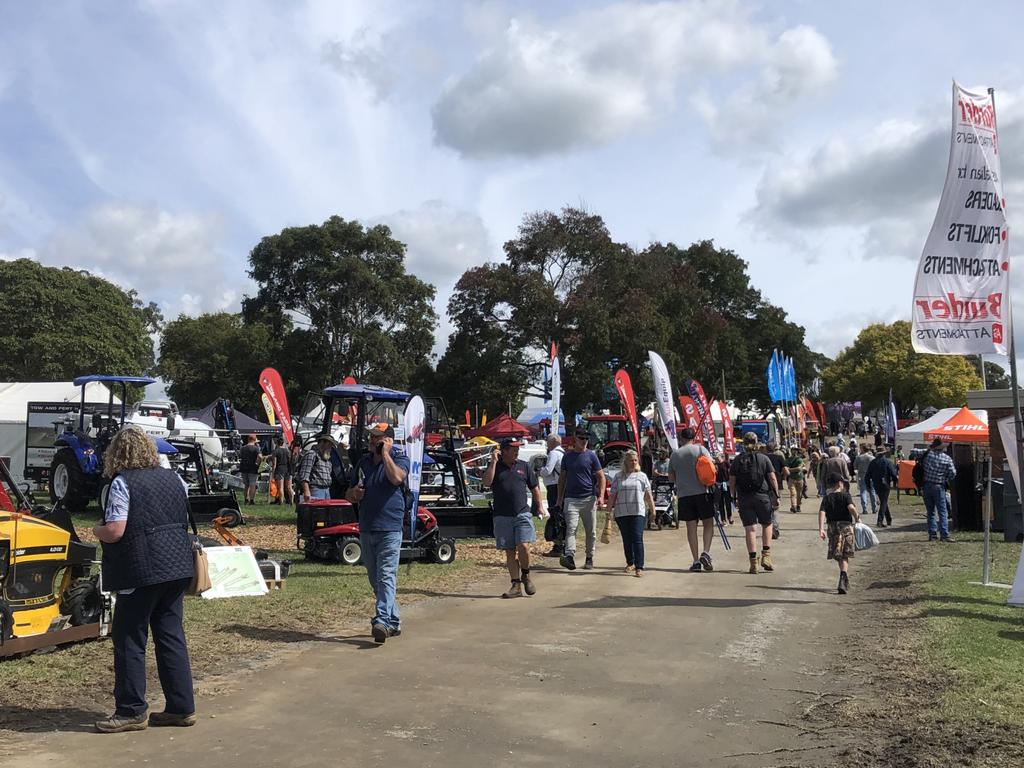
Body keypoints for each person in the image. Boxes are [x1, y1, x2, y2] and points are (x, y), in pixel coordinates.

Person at [92, 428, 196, 732]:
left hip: (141, 569)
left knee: (129, 638)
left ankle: (131, 710)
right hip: (177, 565)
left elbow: (116, 530)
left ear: (116, 454)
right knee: (170, 635)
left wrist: (97, 530)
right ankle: (181, 707)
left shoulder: (123, 483)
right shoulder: (174, 477)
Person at [346, 424, 409, 644]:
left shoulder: (399, 458)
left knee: (386, 576)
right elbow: (348, 491)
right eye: (372, 438)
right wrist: (353, 493)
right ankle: (394, 620)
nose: (373, 441)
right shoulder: (363, 463)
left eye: (379, 438)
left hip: (390, 527)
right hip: (366, 526)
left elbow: (397, 479)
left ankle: (381, 620)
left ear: (389, 440)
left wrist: (385, 455)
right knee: (375, 579)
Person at [483, 437, 546, 598]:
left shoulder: (523, 466)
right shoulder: (495, 467)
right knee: (510, 551)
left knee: (523, 546)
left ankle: (526, 574)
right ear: (503, 451)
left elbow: (534, 487)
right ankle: (515, 585)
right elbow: (486, 482)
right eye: (513, 448)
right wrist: (493, 462)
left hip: (522, 513)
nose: (517, 451)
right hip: (502, 516)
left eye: (517, 448)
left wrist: (539, 505)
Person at [730, 433, 780, 574]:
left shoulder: (737, 460)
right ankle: (766, 557)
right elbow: (772, 478)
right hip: (762, 496)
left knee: (750, 529)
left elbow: (732, 481)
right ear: (757, 442)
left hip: (744, 498)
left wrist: (733, 497)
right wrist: (776, 495)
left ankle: (753, 563)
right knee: (767, 524)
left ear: (744, 443)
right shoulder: (764, 458)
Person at [557, 428, 606, 571]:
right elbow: (562, 479)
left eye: (586, 438)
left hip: (589, 498)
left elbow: (601, 476)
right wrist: (559, 498)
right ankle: (570, 556)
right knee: (571, 528)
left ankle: (589, 557)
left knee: (591, 531)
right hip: (571, 498)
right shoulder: (567, 456)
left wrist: (601, 496)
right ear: (575, 438)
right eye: (581, 438)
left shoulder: (591, 456)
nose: (584, 441)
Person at [668, 427, 716, 572]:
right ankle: (706, 552)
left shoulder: (675, 454)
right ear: (693, 437)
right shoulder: (701, 450)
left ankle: (695, 561)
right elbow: (712, 468)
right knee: (708, 524)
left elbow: (671, 477)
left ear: (681, 438)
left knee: (691, 528)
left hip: (684, 494)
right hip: (702, 492)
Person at [608, 450, 655, 577]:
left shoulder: (642, 476)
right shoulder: (618, 476)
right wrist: (608, 512)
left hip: (638, 511)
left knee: (637, 538)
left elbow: (648, 495)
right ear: (626, 462)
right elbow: (612, 495)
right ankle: (630, 562)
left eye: (635, 460)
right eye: (631, 460)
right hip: (622, 512)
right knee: (627, 539)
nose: (633, 462)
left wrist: (653, 509)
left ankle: (639, 566)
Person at [818, 472, 860, 594]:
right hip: (845, 527)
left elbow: (822, 513)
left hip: (832, 528)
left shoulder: (827, 498)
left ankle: (843, 577)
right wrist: (857, 518)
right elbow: (851, 508)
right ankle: (843, 576)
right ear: (840, 483)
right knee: (845, 554)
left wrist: (821, 529)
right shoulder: (846, 496)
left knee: (838, 553)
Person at [921, 438, 957, 542]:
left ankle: (932, 534)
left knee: (930, 511)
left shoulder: (928, 455)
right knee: (942, 511)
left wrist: (929, 448)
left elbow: (913, 452)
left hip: (927, 485)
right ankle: (944, 534)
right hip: (939, 485)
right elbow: (953, 473)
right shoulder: (947, 458)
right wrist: (945, 477)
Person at [539, 434, 565, 558]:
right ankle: (563, 544)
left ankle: (558, 546)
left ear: (553, 442)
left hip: (554, 487)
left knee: (556, 516)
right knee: (562, 516)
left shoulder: (554, 453)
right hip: (562, 487)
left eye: (548, 441)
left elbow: (548, 470)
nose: (546, 444)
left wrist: (539, 471)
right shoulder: (563, 453)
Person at [297, 435, 337, 500]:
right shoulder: (312, 454)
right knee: (316, 509)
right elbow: (304, 475)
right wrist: (306, 491)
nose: (331, 447)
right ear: (322, 442)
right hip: (315, 489)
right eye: (329, 444)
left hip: (326, 490)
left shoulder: (327, 458)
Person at [865, 448, 898, 527]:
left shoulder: (873, 462)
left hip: (876, 484)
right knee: (883, 501)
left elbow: (867, 475)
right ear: (884, 453)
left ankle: (889, 519)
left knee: (883, 500)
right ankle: (880, 521)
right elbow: (893, 473)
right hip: (885, 483)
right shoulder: (887, 462)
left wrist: (868, 485)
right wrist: (895, 482)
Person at [238, 433, 262, 505]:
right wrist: (258, 463)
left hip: (244, 468)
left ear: (248, 439)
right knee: (252, 485)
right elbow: (260, 457)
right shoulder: (256, 448)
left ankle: (246, 499)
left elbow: (240, 456)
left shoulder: (243, 448)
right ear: (254, 440)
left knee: (246, 485)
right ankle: (251, 500)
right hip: (253, 468)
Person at [854, 446, 877, 518]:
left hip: (862, 476)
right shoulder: (872, 458)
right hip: (871, 477)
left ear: (863, 449)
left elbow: (855, 466)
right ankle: (874, 508)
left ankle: (864, 508)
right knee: (872, 492)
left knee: (863, 492)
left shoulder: (859, 457)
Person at [269, 436, 291, 505]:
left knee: (280, 487)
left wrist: (273, 472)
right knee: (288, 487)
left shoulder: (276, 451)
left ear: (277, 444)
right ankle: (291, 501)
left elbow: (274, 464)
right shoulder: (287, 451)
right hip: (287, 469)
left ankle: (281, 502)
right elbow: (289, 461)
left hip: (279, 469)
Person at [714, 452, 734, 524]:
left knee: (728, 501)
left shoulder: (726, 463)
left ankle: (730, 516)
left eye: (717, 458)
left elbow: (731, 472)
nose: (716, 459)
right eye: (715, 458)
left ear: (721, 457)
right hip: (718, 484)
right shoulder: (714, 465)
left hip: (726, 484)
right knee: (720, 502)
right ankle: (723, 519)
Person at [785, 448, 806, 513]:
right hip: (792, 479)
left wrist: (789, 469)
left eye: (795, 450)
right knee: (793, 493)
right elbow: (785, 468)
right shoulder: (788, 460)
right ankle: (794, 506)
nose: (794, 452)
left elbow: (799, 469)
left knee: (799, 494)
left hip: (799, 478)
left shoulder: (799, 459)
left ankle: (798, 506)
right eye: (792, 450)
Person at [288, 439, 303, 504]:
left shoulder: (300, 455)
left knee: (296, 487)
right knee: (293, 487)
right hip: (292, 471)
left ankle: (296, 500)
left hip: (297, 472)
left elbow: (295, 462)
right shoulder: (291, 453)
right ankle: (294, 499)